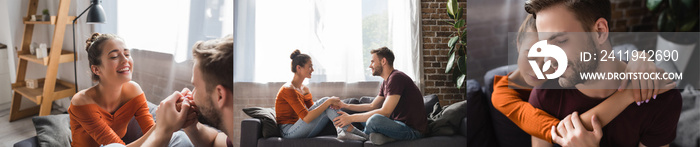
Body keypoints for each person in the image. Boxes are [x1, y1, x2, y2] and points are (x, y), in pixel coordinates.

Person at [491, 14, 675, 146]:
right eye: (531, 55)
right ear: (517, 43)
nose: (541, 66)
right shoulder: (502, 95)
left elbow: (603, 58)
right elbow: (561, 131)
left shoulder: (562, 72)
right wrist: (627, 95)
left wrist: (640, 57)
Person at [68, 33, 155, 147]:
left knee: (179, 137)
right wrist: (161, 128)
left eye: (127, 54)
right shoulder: (82, 101)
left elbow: (152, 132)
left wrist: (165, 127)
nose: (125, 60)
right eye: (114, 56)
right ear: (96, 69)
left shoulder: (134, 90)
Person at [333, 47, 428, 145]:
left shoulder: (396, 78)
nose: (370, 66)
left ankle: (360, 135)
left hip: (413, 130)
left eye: (373, 61)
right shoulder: (386, 82)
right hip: (397, 124)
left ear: (383, 61)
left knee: (374, 120)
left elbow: (385, 112)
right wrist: (345, 105)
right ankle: (383, 137)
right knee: (368, 115)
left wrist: (351, 118)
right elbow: (372, 106)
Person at [273, 49, 368, 140]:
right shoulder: (288, 89)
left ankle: (348, 132)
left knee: (326, 103)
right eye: (309, 66)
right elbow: (306, 118)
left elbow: (314, 110)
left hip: (298, 128)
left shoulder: (303, 89)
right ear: (299, 68)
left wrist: (328, 103)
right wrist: (328, 101)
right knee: (326, 101)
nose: (312, 70)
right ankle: (355, 133)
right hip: (288, 132)